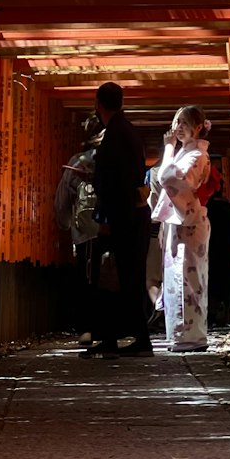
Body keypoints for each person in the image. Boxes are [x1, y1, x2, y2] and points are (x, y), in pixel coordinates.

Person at [85, 81, 153, 358]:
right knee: (122, 277)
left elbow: (115, 182)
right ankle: (116, 338)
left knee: (119, 277)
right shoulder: (127, 132)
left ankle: (133, 340)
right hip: (132, 213)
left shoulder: (115, 135)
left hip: (123, 216)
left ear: (98, 104)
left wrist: (106, 217)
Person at [149, 105, 211, 353]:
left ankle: (192, 337)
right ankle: (179, 335)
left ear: (198, 128)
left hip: (190, 222)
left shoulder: (196, 156)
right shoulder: (185, 154)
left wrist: (167, 148)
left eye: (185, 123)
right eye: (177, 122)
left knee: (189, 279)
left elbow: (168, 178)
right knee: (176, 280)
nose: (179, 127)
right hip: (178, 222)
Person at [54, 118, 102, 343]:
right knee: (108, 277)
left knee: (85, 277)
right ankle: (108, 325)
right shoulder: (113, 158)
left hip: (83, 231)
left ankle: (88, 327)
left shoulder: (77, 161)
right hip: (108, 228)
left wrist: (64, 223)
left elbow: (64, 197)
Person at [206, 188, 230, 328]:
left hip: (210, 251)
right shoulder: (229, 208)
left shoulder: (204, 209)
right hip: (226, 251)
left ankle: (211, 312)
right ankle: (221, 308)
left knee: (210, 283)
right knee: (224, 282)